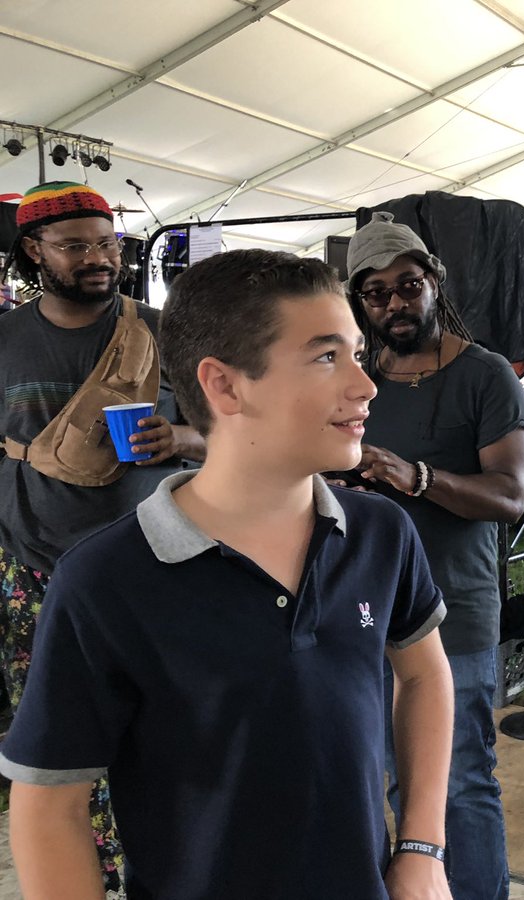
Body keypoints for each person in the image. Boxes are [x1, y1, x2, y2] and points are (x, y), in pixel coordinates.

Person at [0, 249, 455, 900]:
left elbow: (424, 672)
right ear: (225, 385)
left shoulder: (380, 533)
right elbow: (50, 806)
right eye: (328, 357)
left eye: (357, 353)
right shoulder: (107, 580)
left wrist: (421, 848)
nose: (365, 385)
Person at [0, 180, 204, 890]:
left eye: (107, 242)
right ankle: (93, 875)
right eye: (76, 245)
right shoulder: (6, 338)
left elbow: (238, 429)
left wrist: (179, 434)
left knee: (159, 734)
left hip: (148, 575)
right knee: (54, 746)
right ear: (35, 250)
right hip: (33, 574)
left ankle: (161, 863)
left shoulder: (158, 331)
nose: (97, 258)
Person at [344, 212, 524, 900]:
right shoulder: (361, 381)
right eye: (376, 294)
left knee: (458, 779)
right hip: (364, 613)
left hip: (456, 614)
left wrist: (414, 476)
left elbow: (510, 496)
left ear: (434, 284)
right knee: (387, 775)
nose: (395, 304)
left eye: (408, 286)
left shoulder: (484, 376)